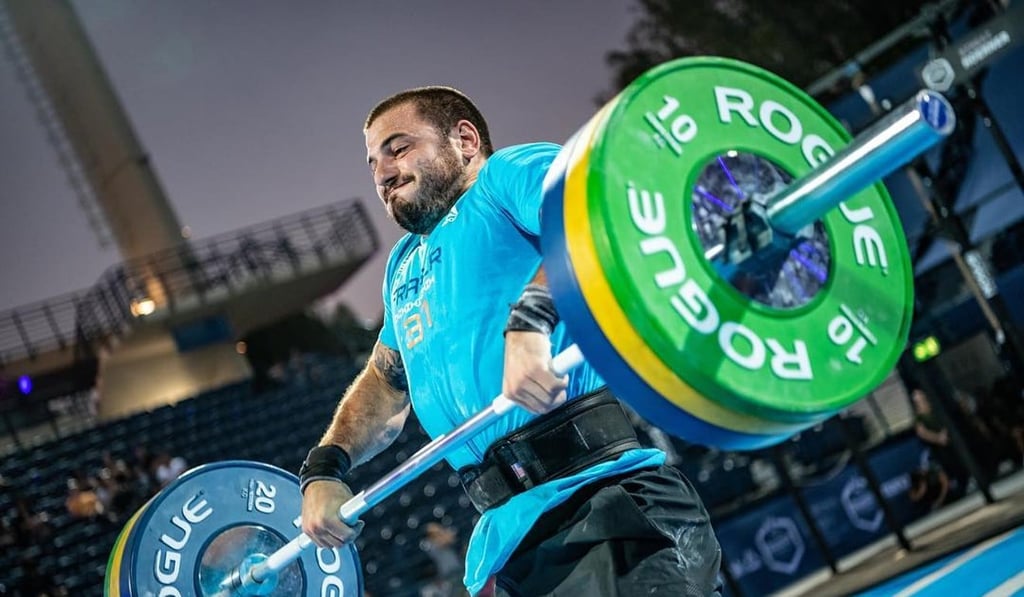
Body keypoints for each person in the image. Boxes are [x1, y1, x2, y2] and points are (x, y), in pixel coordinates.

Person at [299, 86, 722, 596]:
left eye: (399, 148)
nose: (383, 173)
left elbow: (593, 210)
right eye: (372, 163)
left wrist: (531, 317)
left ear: (465, 139)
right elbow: (387, 382)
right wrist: (326, 466)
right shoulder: (402, 265)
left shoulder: (503, 176)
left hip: (604, 506)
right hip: (511, 537)